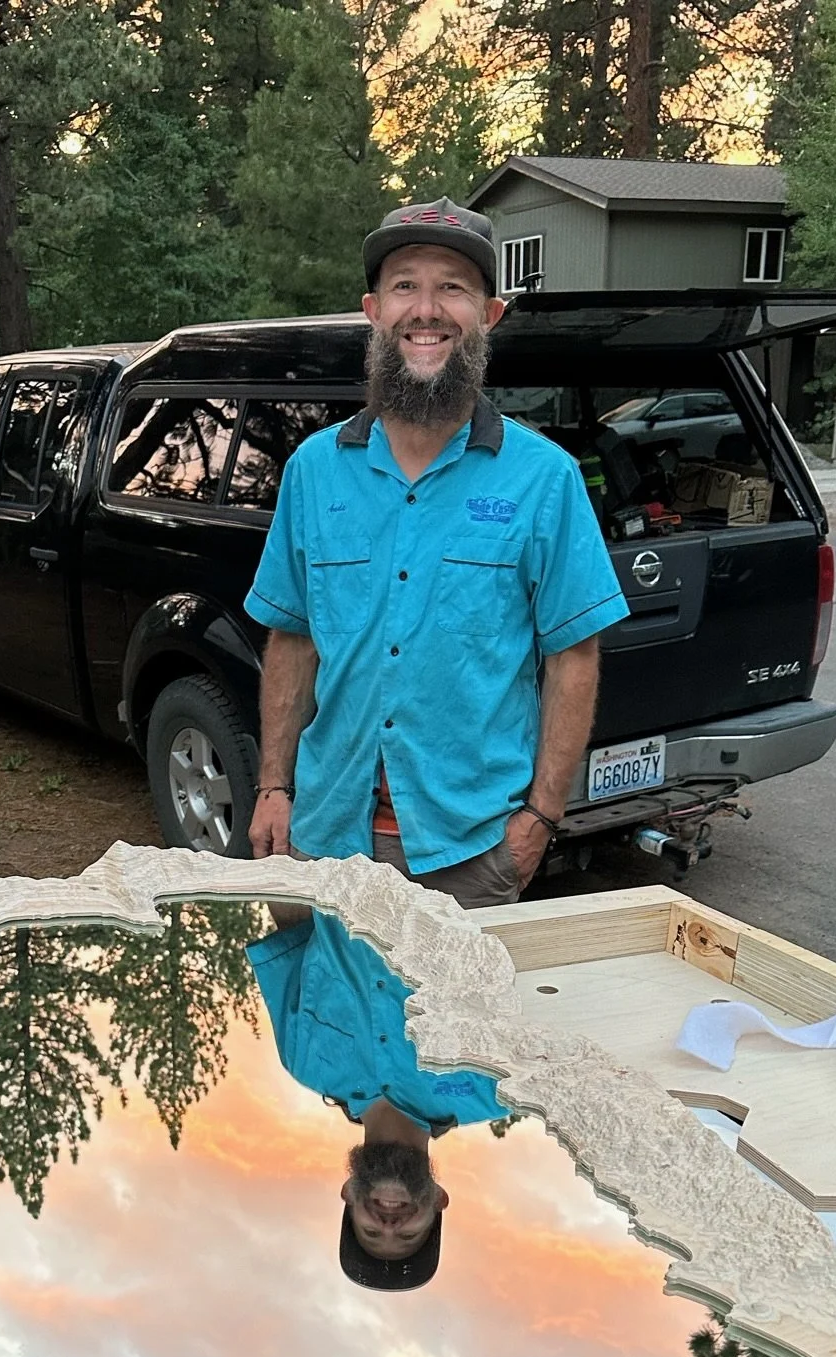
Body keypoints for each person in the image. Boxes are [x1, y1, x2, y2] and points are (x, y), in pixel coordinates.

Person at [244, 197, 631, 910]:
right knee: (327, 1018)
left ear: (490, 313)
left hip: (470, 851)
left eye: (453, 285)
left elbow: (573, 656)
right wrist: (273, 785)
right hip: (326, 835)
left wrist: (540, 819)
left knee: (458, 1027)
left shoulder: (544, 479)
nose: (427, 309)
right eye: (405, 285)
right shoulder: (313, 471)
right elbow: (292, 638)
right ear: (373, 309)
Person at [247, 907, 505, 1290]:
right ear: (438, 1201)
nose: (389, 1225)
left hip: (336, 850)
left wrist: (292, 854)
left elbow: (296, 923)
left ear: (349, 1194)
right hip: (452, 864)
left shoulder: (304, 1063)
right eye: (407, 1236)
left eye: (369, 1233)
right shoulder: (495, 1091)